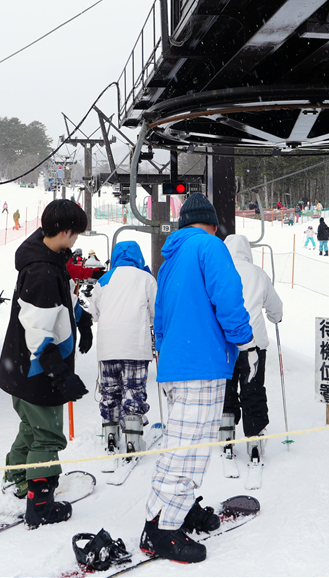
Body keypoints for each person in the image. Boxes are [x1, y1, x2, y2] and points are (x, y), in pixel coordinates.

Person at [142, 193, 255, 563]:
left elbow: (159, 314)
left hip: (177, 364)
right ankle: (162, 529)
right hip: (202, 364)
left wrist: (165, 352)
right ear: (212, 223)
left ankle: (182, 507)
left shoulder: (171, 259)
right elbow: (228, 297)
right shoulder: (210, 246)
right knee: (188, 451)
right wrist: (243, 339)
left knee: (181, 442)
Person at [0, 199, 92, 528]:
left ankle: (16, 478)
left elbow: (55, 308)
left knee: (31, 427)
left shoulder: (47, 259)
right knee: (48, 436)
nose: (77, 239)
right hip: (37, 370)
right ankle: (40, 503)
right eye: (76, 233)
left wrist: (82, 319)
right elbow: (38, 330)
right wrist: (59, 372)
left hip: (19, 368)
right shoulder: (42, 272)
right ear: (64, 232)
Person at [90, 241, 157, 464]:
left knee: (110, 390)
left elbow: (94, 313)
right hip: (135, 344)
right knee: (134, 390)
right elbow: (157, 310)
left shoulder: (104, 280)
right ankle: (133, 441)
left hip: (108, 345)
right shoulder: (146, 278)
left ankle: (111, 437)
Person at [222, 235, 283, 464]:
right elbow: (275, 305)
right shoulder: (258, 273)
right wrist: (275, 317)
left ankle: (225, 437)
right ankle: (255, 439)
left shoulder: (220, 271)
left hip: (226, 344)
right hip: (254, 344)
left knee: (226, 389)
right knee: (252, 389)